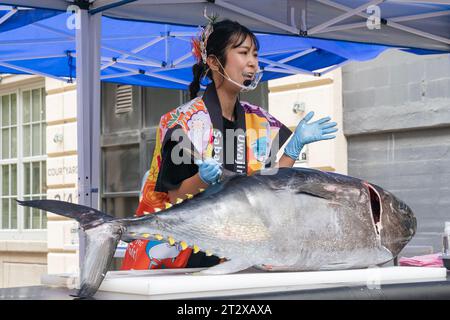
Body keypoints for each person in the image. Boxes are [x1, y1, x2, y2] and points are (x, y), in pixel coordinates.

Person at [121, 17, 338, 271]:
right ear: (214, 62)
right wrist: (202, 178)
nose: (253, 63)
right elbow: (173, 195)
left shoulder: (260, 121)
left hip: (235, 253)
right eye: (243, 53)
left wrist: (293, 148)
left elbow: (268, 185)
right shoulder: (182, 122)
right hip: (181, 254)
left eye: (255, 55)